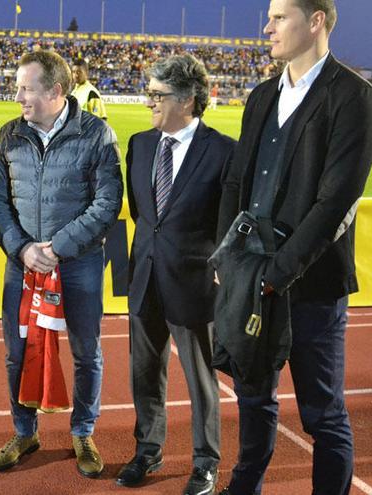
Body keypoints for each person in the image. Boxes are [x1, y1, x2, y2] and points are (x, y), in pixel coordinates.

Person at [215, 1, 372, 494]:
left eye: (279, 16)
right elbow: (235, 182)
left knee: (322, 414)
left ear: (316, 22)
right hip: (251, 277)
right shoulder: (261, 95)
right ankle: (245, 487)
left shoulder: (353, 97)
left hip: (311, 287)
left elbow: (336, 203)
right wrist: (230, 257)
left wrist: (275, 274)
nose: (267, 27)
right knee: (252, 398)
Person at [0, 50, 123, 478]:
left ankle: (82, 431)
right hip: (21, 264)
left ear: (56, 91)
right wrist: (23, 249)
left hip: (77, 264)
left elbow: (108, 202)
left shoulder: (97, 134)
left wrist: (58, 247)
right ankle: (24, 432)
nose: (18, 96)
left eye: (26, 88)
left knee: (86, 352)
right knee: (17, 352)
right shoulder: (10, 134)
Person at [118, 54, 234, 493]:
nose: (149, 101)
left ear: (187, 100)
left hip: (194, 286)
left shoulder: (224, 152)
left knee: (201, 381)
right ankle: (147, 449)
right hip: (145, 279)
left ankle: (205, 462)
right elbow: (142, 214)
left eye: (157, 95)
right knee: (144, 374)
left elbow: (226, 225)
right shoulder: (140, 144)